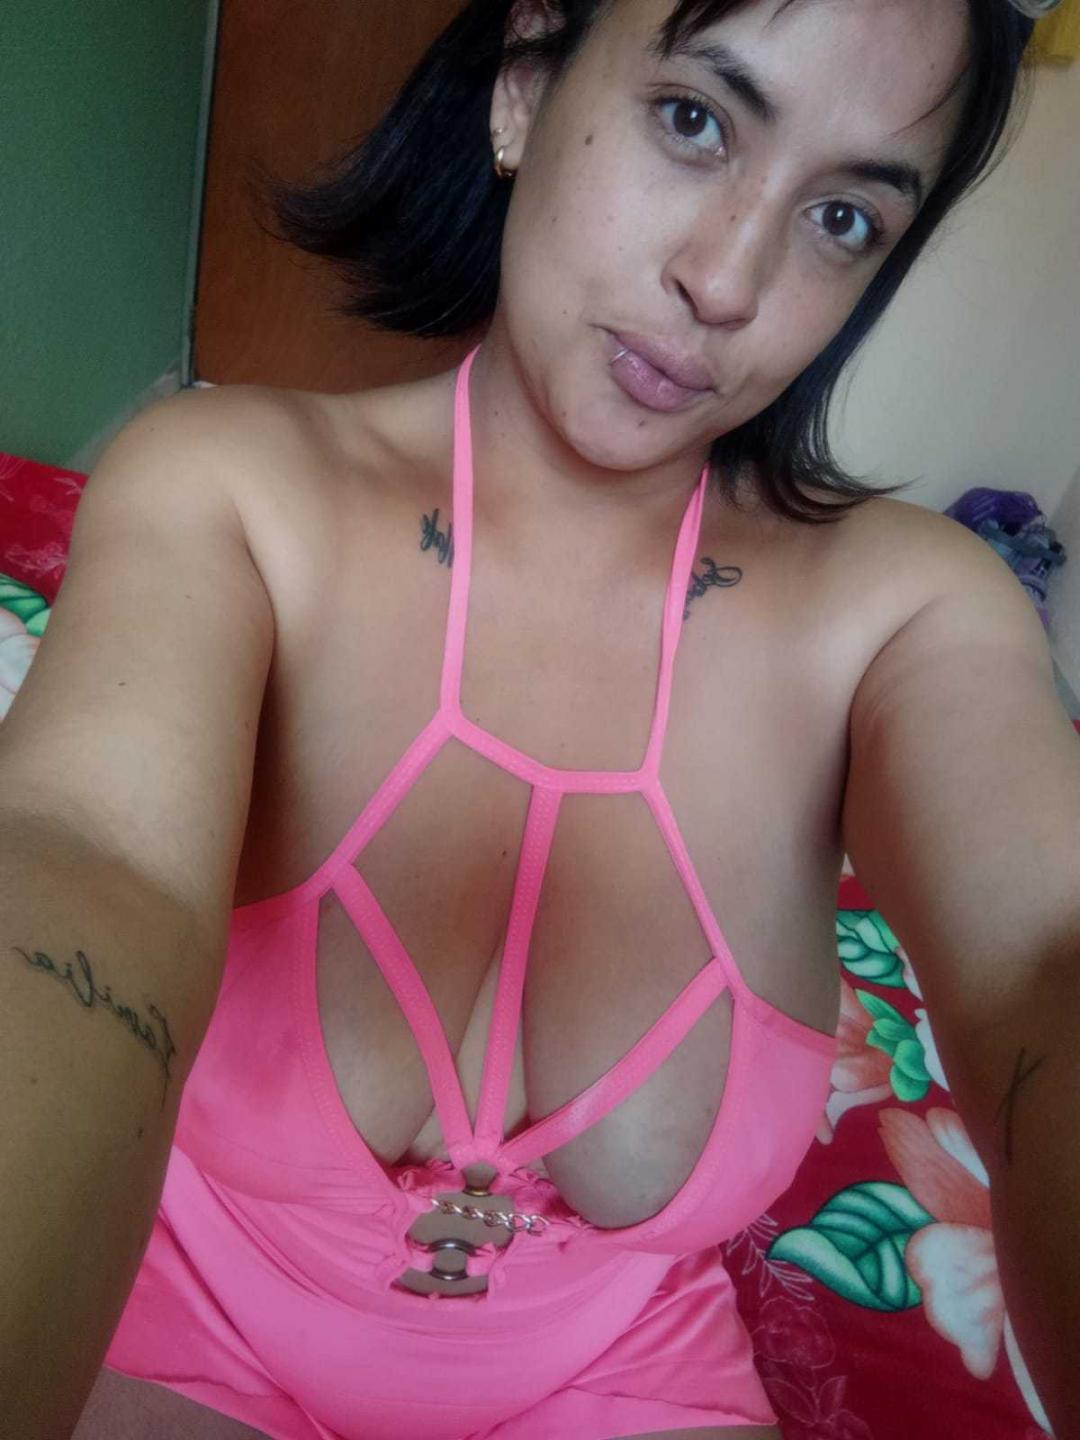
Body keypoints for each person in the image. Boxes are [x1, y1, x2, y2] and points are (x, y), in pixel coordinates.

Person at [3, 1, 1076, 1438]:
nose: (726, 282)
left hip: (620, 1381)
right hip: (177, 1329)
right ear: (524, 87)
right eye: (694, 120)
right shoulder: (229, 493)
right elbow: (86, 866)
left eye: (841, 218)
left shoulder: (902, 619)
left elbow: (1045, 967)